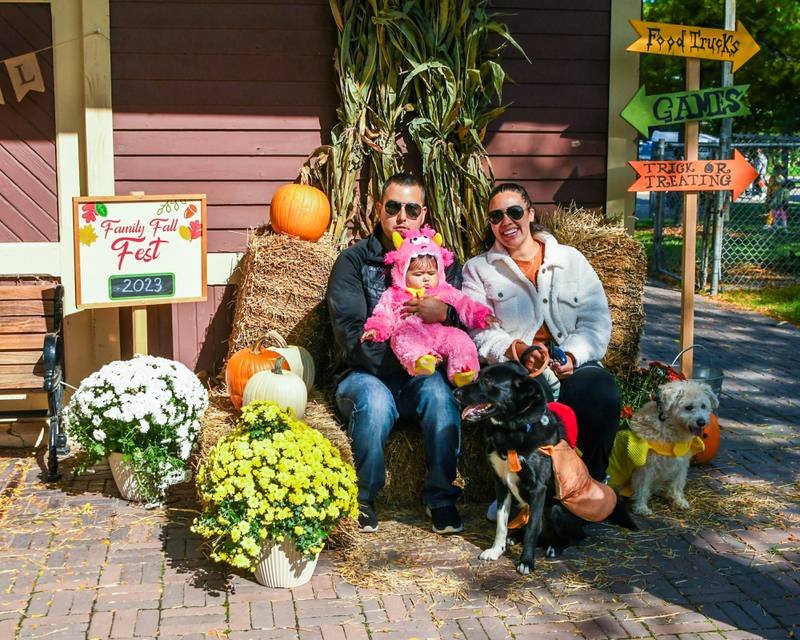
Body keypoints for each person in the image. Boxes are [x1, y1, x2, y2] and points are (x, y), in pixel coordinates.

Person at [327, 173, 465, 534]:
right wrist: (406, 360)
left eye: (411, 209)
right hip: (365, 372)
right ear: (378, 209)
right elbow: (350, 334)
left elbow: (464, 324)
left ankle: (441, 498)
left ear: (423, 214)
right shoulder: (354, 263)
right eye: (393, 207)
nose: (401, 216)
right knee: (374, 402)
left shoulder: (443, 263)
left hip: (421, 371)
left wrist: (445, 314)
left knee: (439, 397)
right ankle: (363, 498)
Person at [461, 183, 620, 491]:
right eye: (496, 217)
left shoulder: (570, 260)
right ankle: (526, 491)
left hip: (569, 358)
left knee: (601, 393)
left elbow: (596, 320)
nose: (506, 222)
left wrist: (572, 355)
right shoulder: (478, 269)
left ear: (530, 214)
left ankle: (593, 483)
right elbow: (480, 333)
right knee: (520, 400)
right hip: (519, 364)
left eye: (514, 212)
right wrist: (517, 349)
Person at [361, 225, 495, 386]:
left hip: (440, 333)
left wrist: (481, 315)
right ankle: (421, 361)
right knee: (401, 340)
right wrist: (376, 329)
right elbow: (384, 314)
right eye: (418, 274)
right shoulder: (395, 294)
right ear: (402, 272)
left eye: (431, 274)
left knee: (461, 339)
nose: (426, 279)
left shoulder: (445, 290)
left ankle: (464, 371)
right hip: (410, 332)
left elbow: (463, 303)